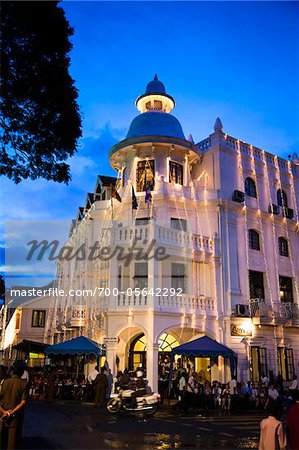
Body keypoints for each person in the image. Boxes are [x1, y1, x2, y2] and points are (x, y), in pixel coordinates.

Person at [0, 365, 28, 450]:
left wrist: (5, 412)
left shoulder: (4, 382)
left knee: (2, 439)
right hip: (15, 416)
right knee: (12, 442)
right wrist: (11, 412)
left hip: (2, 415)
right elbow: (23, 402)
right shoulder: (24, 383)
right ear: (22, 373)